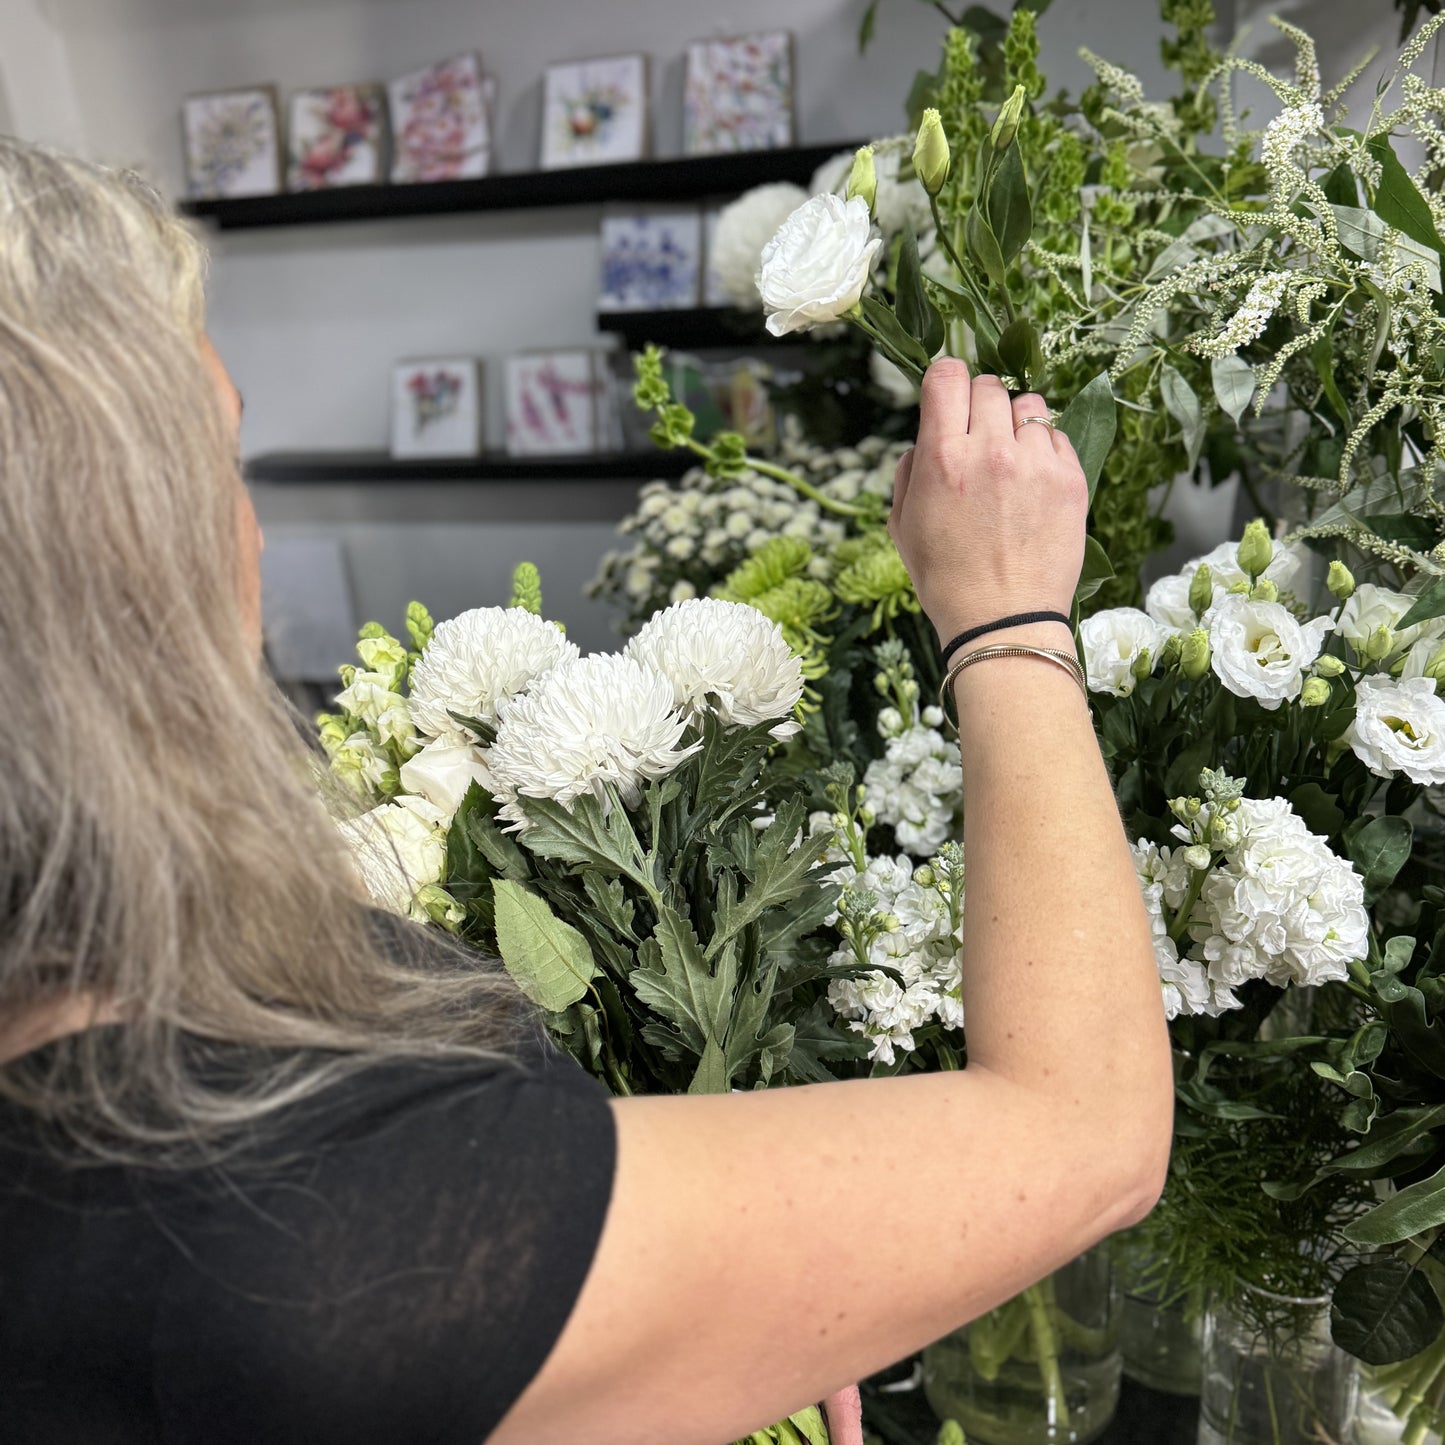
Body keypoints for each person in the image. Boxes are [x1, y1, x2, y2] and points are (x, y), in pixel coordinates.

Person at [0, 137, 1173, 1445]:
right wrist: (1004, 615)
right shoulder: (320, 1209)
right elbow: (1086, 1132)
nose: (254, 531)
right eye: (224, 465)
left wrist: (654, 1309)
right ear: (124, 568)